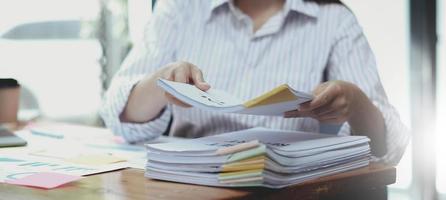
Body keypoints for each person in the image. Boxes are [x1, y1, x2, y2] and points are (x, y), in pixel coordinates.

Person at [100, 0, 409, 165]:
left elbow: (389, 147)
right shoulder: (180, 8)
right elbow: (118, 115)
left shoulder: (334, 20)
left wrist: (356, 104)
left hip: (288, 189)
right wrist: (162, 81)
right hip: (191, 185)